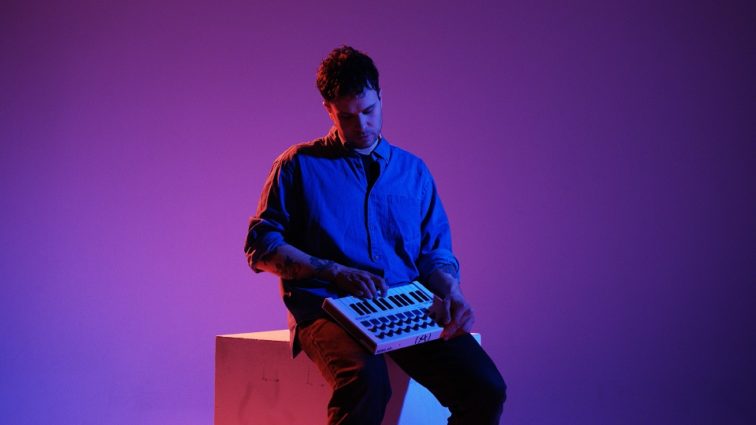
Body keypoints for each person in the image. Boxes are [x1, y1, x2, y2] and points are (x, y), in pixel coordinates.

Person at [244, 45, 506, 425]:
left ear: (381, 97)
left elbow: (434, 253)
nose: (362, 125)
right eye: (347, 116)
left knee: (486, 388)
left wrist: (452, 290)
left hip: (404, 304)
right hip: (327, 308)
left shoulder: (413, 171)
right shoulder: (297, 165)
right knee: (366, 383)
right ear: (328, 110)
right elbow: (261, 245)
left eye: (369, 111)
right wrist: (335, 272)